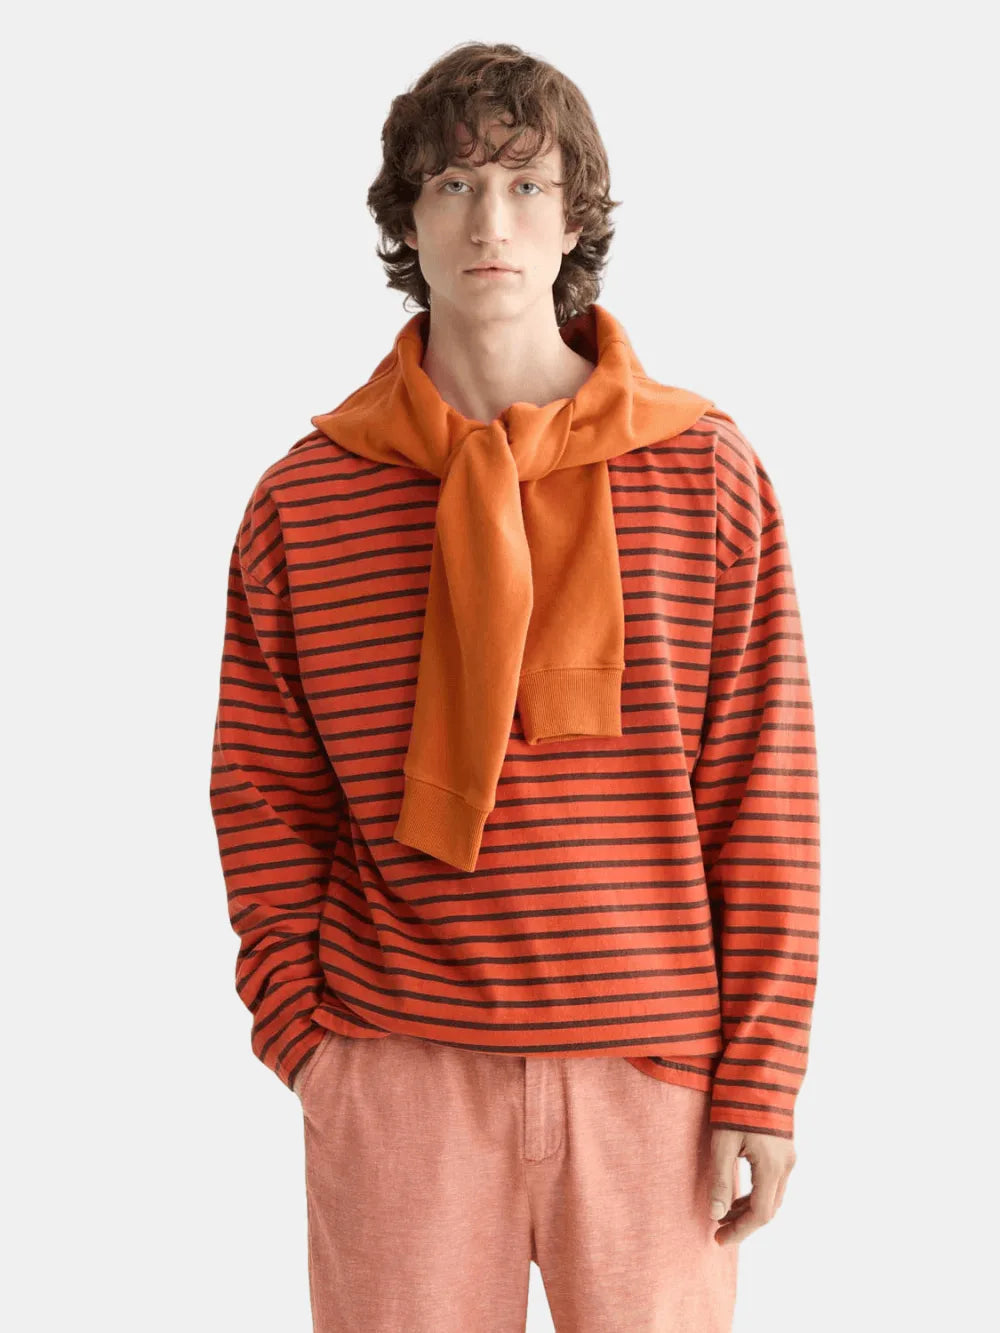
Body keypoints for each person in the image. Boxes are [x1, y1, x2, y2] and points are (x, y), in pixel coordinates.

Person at [209, 40, 820, 1333]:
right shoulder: (306, 500)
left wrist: (762, 1075)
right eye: (453, 185)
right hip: (397, 1063)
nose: (491, 221)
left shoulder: (705, 471)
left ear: (576, 218)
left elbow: (761, 787)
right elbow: (263, 794)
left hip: (652, 1077)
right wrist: (310, 1043)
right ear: (406, 221)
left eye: (526, 185)